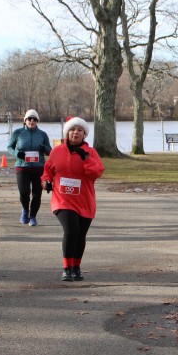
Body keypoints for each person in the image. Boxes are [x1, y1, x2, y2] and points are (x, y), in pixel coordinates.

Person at [42, 117, 104, 282]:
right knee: (71, 231)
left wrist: (86, 159)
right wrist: (45, 181)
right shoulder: (56, 151)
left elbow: (96, 173)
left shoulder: (91, 152)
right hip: (62, 199)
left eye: (79, 130)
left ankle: (76, 267)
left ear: (84, 134)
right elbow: (48, 170)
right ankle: (66, 268)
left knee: (80, 235)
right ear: (67, 133)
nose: (75, 133)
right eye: (72, 129)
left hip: (84, 200)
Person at [7, 109, 53, 226]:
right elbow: (9, 147)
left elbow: (50, 151)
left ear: (37, 121)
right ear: (25, 120)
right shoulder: (18, 133)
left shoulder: (42, 134)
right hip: (22, 167)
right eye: (29, 119)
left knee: (37, 195)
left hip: (39, 168)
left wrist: (45, 149)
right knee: (24, 193)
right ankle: (25, 211)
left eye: (34, 119)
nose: (32, 121)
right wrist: (17, 154)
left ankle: (33, 217)